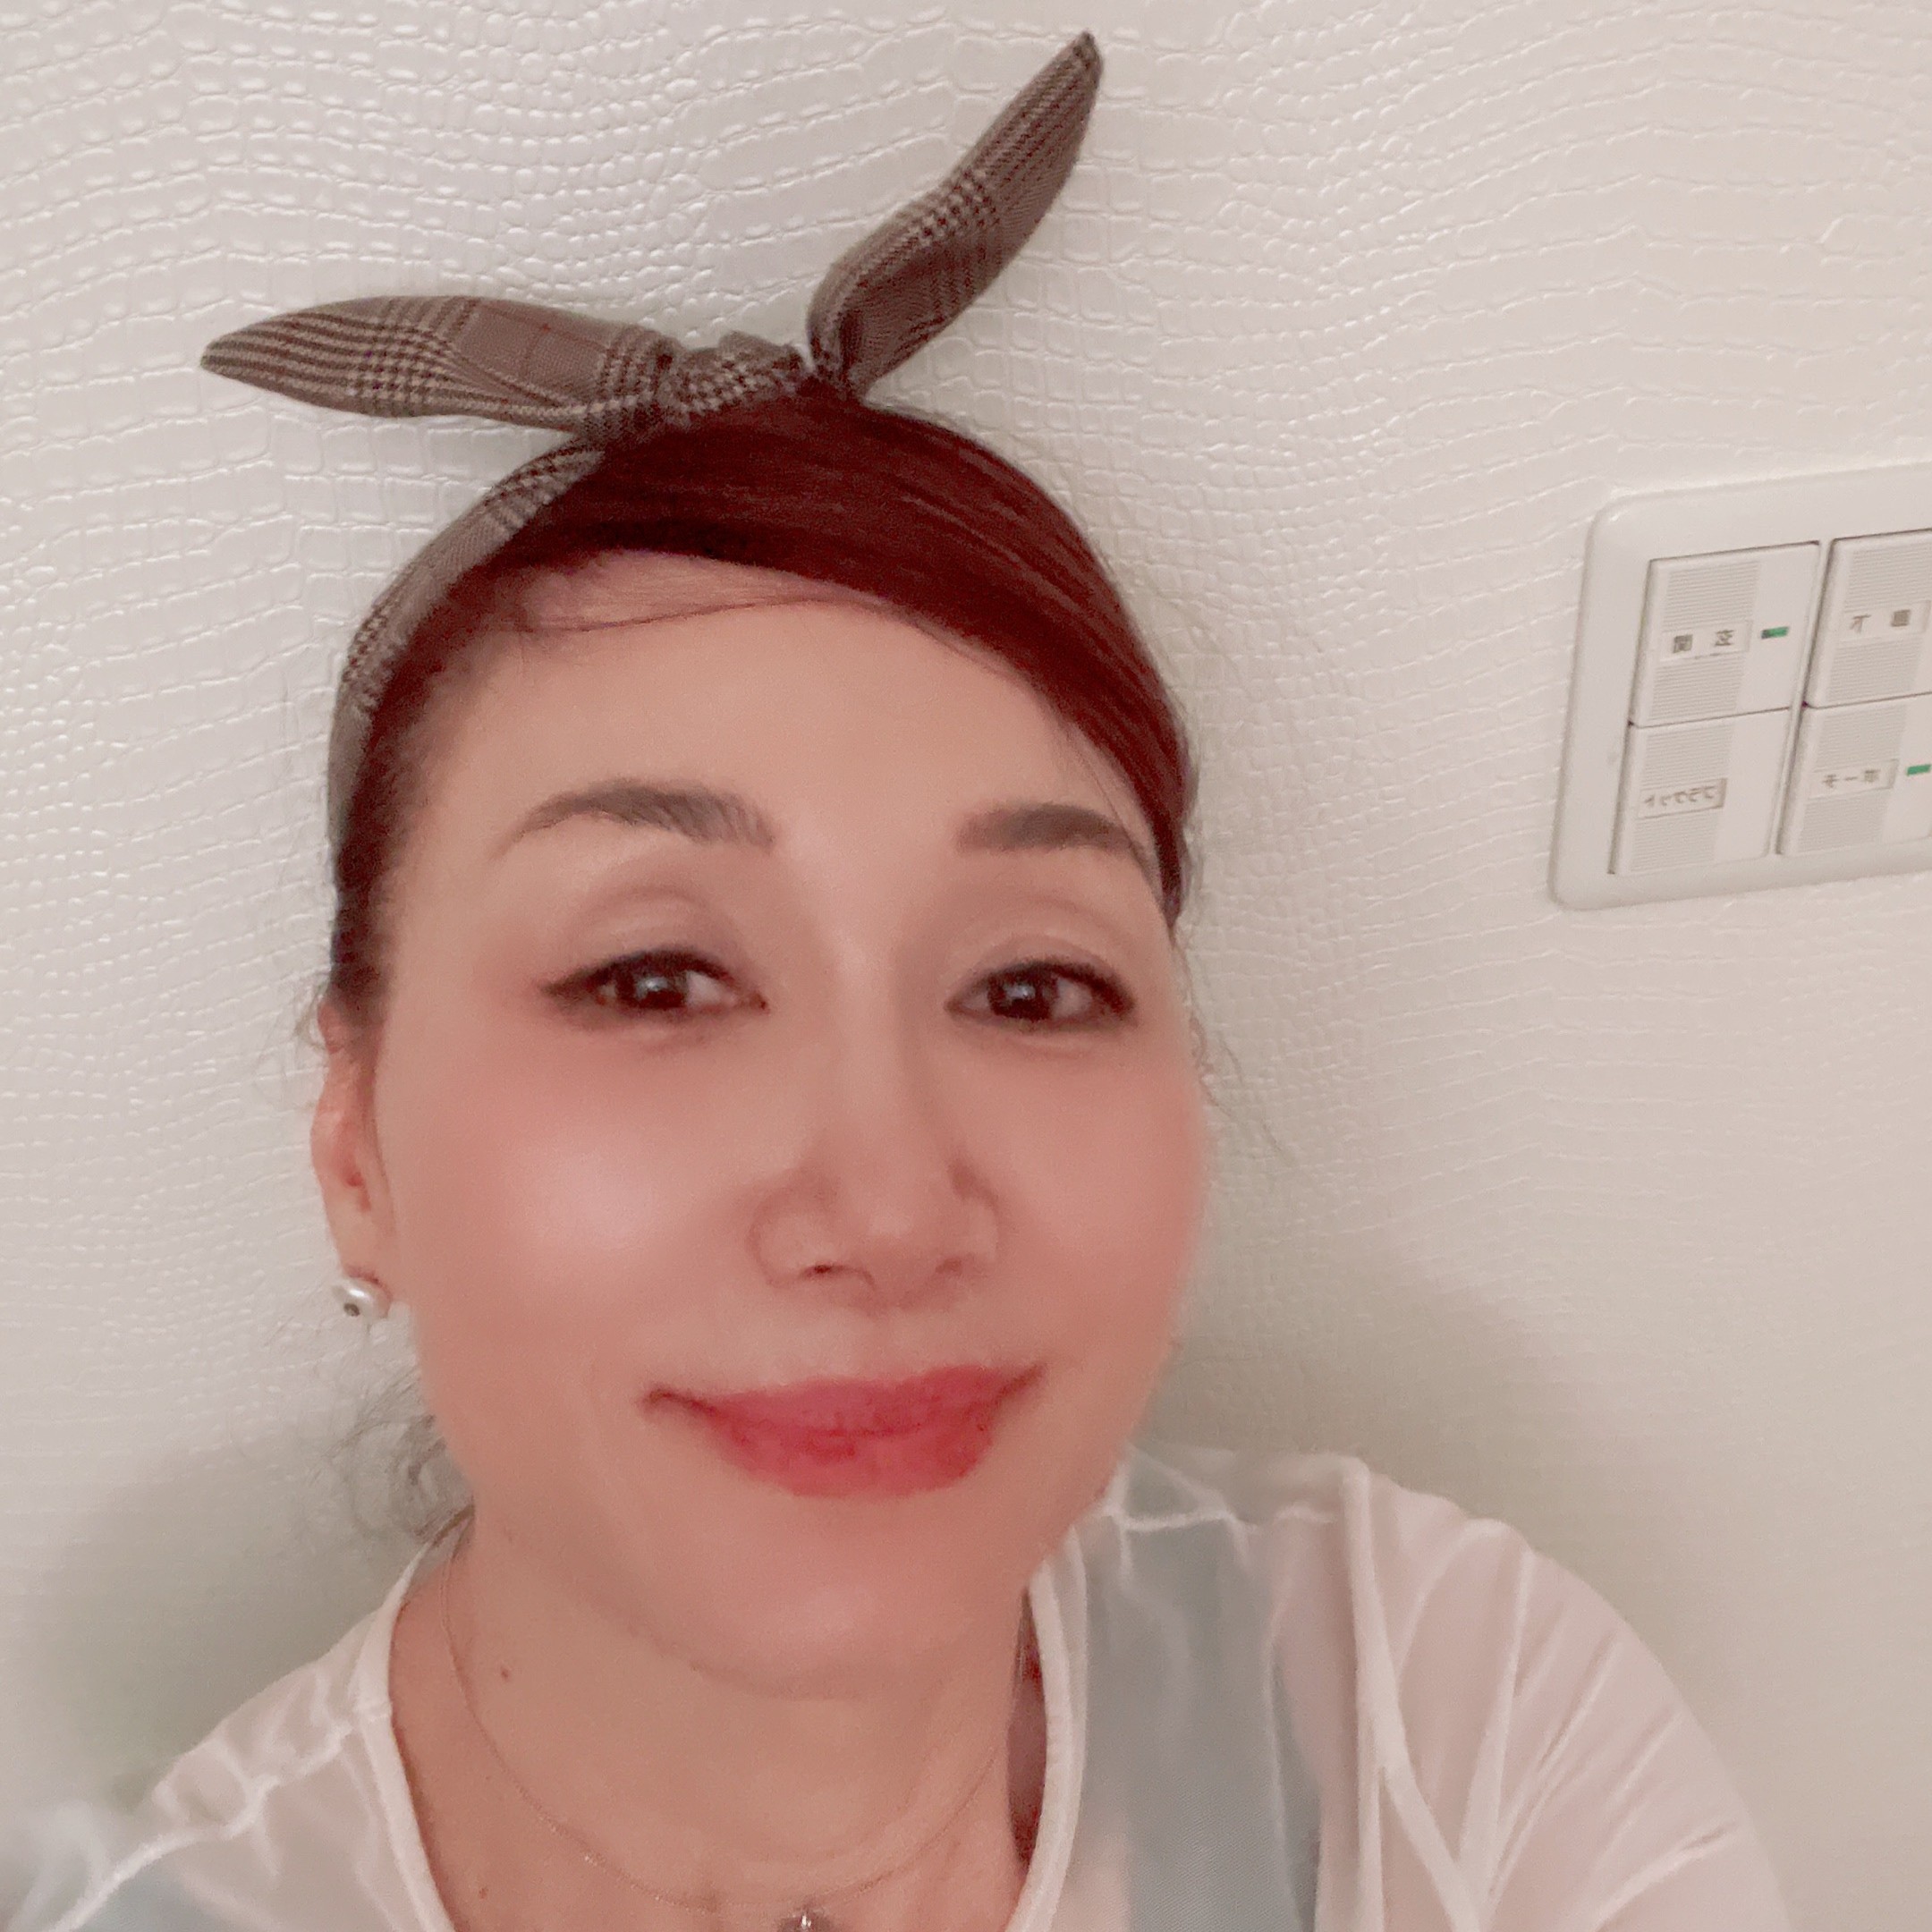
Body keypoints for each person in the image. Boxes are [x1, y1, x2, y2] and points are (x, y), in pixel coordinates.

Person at [1, 34, 1791, 1932]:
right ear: (356, 1142)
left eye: (1034, 988)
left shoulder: (1444, 1715)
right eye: (655, 978)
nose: (885, 1211)